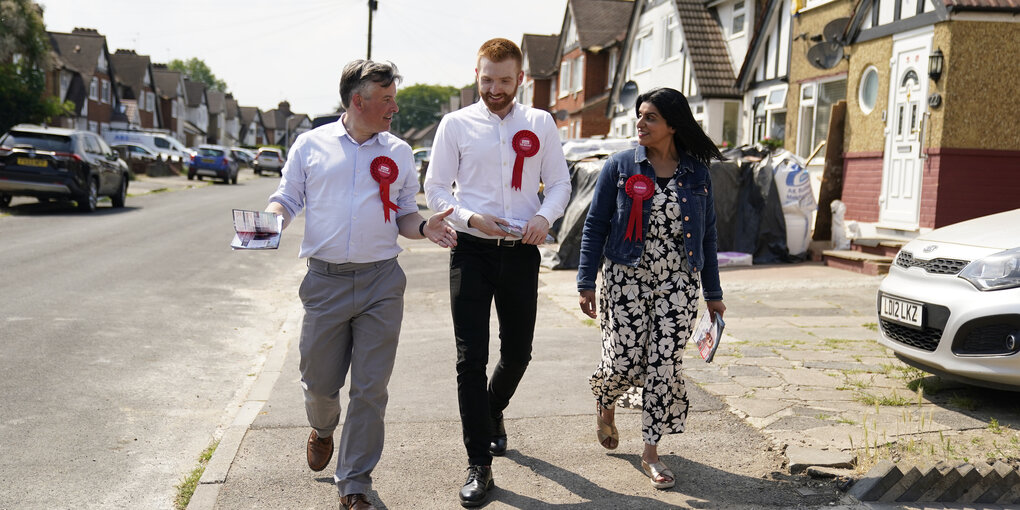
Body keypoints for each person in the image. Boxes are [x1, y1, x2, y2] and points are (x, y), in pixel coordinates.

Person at [265, 60, 457, 510]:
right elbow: (288, 196)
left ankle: (354, 482)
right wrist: (271, 222)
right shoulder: (310, 145)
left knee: (371, 388)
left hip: (381, 282)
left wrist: (424, 228)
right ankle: (323, 427)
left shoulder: (400, 152)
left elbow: (406, 213)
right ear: (358, 100)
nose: (395, 107)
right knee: (318, 383)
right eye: (386, 99)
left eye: (394, 98)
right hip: (325, 282)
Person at [424, 37, 571, 507]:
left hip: (521, 253)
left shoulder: (540, 123)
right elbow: (435, 188)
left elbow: (561, 182)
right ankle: (479, 466)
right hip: (471, 250)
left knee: (519, 353)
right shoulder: (455, 124)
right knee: (470, 358)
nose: (495, 88)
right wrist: (468, 220)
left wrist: (544, 218)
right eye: (487, 79)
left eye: (505, 80)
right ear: (477, 75)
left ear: (520, 79)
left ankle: (492, 411)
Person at [576, 87, 726, 490]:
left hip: (678, 285)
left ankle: (651, 452)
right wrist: (586, 281)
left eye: (651, 118)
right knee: (622, 361)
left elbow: (708, 236)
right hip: (626, 279)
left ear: (673, 125)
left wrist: (713, 294)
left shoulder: (696, 173)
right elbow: (595, 225)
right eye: (639, 116)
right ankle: (605, 402)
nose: (640, 123)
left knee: (664, 365)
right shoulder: (620, 166)